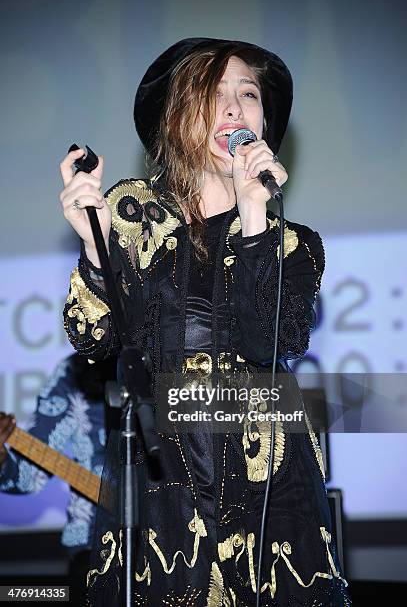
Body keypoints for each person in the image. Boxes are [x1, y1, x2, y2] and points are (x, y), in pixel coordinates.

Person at [59, 38, 351, 606]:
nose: (236, 109)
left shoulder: (292, 242)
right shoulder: (132, 213)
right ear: (178, 114)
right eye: (215, 94)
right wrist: (95, 247)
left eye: (248, 95)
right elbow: (93, 338)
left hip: (269, 479)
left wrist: (253, 214)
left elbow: (273, 340)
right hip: (162, 475)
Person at [0, 354, 117, 604]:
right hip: (92, 549)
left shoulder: (174, 361)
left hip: (174, 544)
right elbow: (28, 477)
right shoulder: (72, 371)